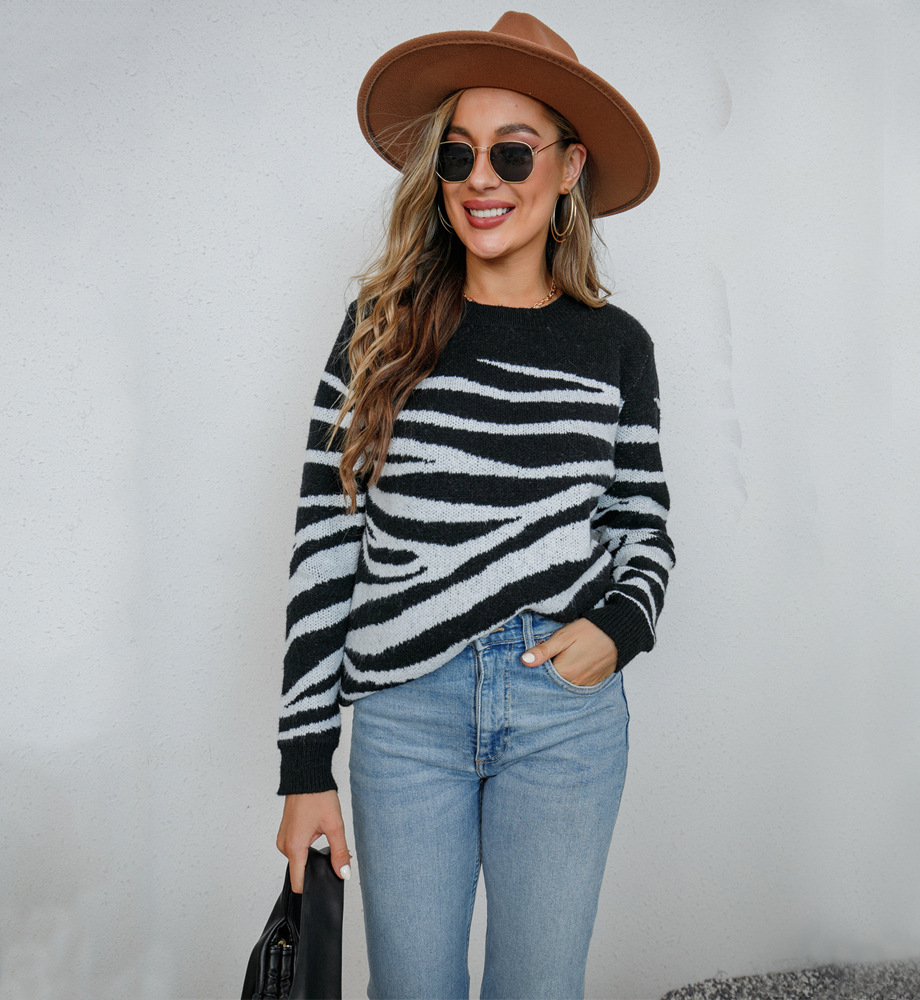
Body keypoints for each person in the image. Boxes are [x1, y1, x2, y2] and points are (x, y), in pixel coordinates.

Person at [275, 12, 675, 999]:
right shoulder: (379, 327)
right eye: (457, 154)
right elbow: (326, 540)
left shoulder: (615, 347)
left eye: (512, 151)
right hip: (407, 712)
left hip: (563, 713)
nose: (480, 178)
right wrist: (304, 764)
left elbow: (642, 528)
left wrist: (618, 629)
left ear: (570, 167)